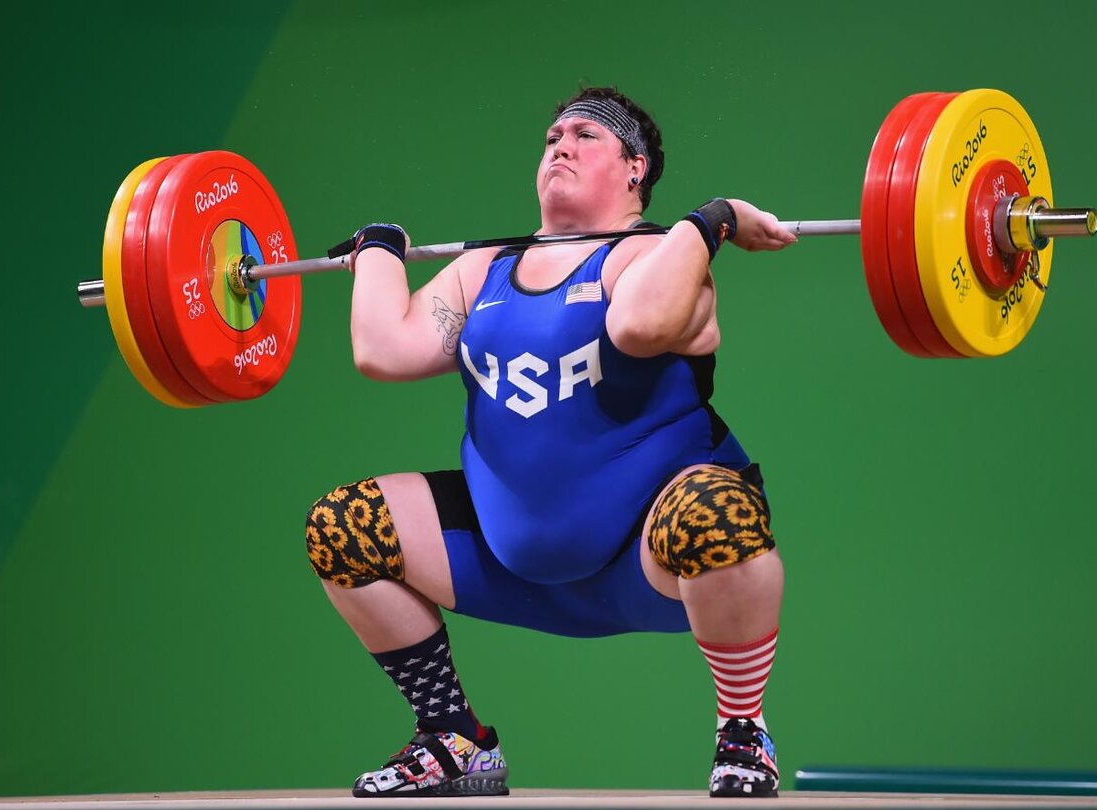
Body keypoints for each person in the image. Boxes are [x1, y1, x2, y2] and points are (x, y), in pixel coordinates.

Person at [304, 86, 797, 798]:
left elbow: (642, 326)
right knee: (344, 528)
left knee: (719, 513)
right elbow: (383, 349)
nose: (560, 145)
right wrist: (380, 248)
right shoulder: (485, 271)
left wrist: (711, 220)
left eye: (585, 136)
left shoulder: (653, 254)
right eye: (552, 138)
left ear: (635, 168)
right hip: (508, 561)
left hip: (650, 558)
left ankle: (742, 733)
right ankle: (453, 740)